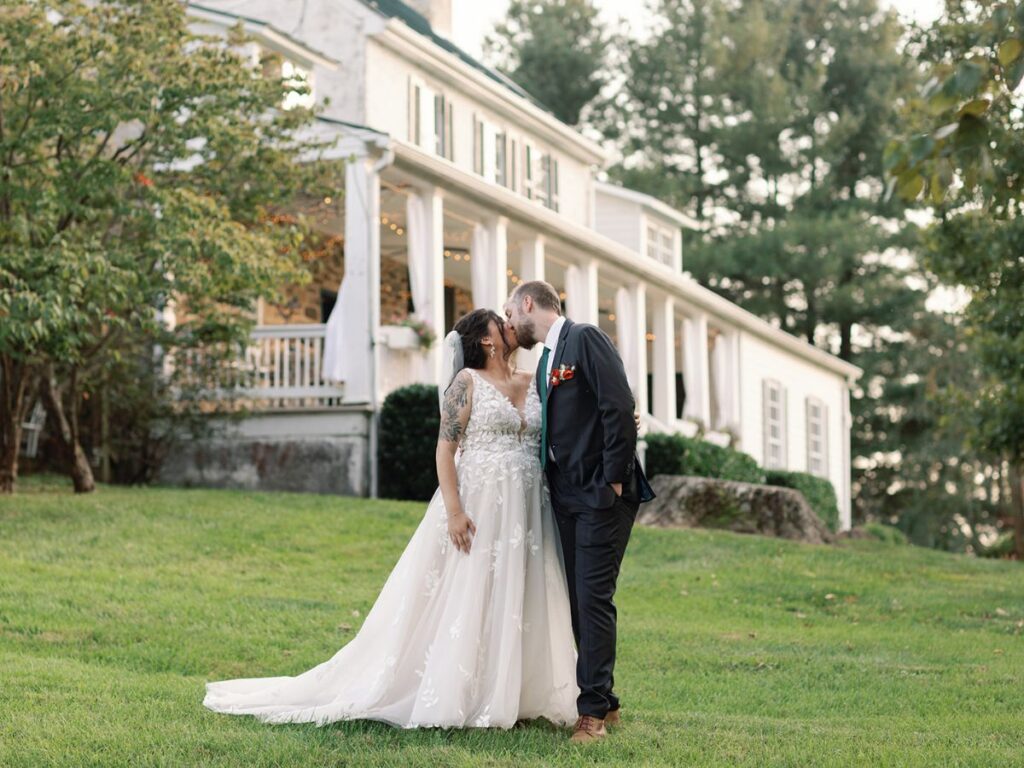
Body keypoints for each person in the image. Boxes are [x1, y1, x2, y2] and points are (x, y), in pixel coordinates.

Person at [203, 308, 578, 729]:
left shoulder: (534, 382)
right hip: (480, 503)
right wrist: (454, 511)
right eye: (499, 322)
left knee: (520, 591)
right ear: (486, 339)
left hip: (528, 507)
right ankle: (465, 692)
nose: (509, 325)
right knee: (474, 592)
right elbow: (445, 450)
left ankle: (517, 691)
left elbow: (569, 422)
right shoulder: (466, 383)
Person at [504, 280, 655, 744]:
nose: (510, 323)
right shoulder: (547, 358)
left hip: (600, 494)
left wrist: (613, 478)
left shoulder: (584, 338)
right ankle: (606, 703)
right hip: (565, 495)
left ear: (528, 303)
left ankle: (589, 714)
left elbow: (618, 404)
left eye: (510, 313)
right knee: (577, 598)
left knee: (592, 599)